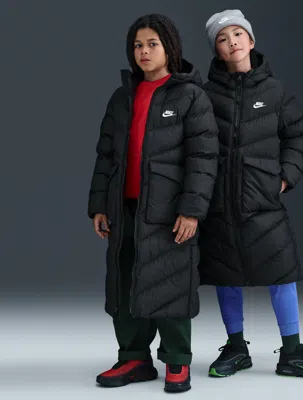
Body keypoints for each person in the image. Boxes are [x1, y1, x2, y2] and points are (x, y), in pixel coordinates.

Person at [198, 9, 303, 381]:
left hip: (263, 201)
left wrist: (285, 177)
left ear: (251, 40)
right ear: (217, 50)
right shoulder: (205, 95)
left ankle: (292, 351)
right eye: (222, 39)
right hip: (219, 203)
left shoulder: (275, 91)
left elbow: (299, 134)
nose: (232, 42)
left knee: (281, 271)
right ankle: (235, 348)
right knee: (225, 274)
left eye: (237, 34)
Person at [87, 13, 219, 393]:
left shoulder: (190, 96)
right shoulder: (122, 97)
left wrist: (192, 211)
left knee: (171, 283)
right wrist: (100, 205)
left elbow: (203, 158)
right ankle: (133, 358)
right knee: (125, 282)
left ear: (169, 48)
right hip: (124, 209)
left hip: (170, 213)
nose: (143, 52)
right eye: (137, 45)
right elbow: (106, 156)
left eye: (152, 44)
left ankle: (177, 360)